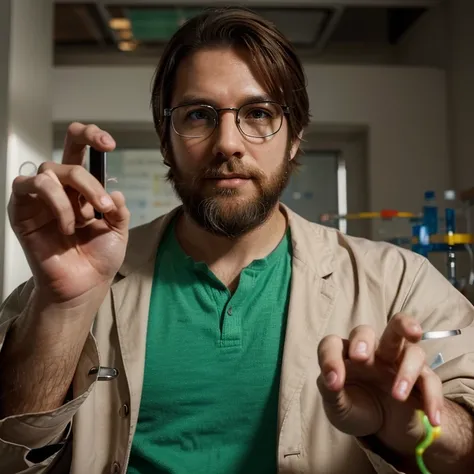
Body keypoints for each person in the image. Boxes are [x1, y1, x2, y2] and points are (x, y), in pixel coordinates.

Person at [0, 6, 474, 474]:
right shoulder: (72, 279)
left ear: (294, 137)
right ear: (166, 139)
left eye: (259, 112)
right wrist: (61, 307)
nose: (228, 142)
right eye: (199, 115)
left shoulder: (400, 283)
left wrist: (416, 429)